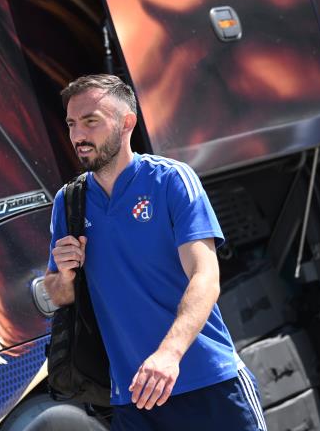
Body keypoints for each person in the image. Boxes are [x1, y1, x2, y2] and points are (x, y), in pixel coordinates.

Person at [44, 74, 266, 430]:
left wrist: (168, 354)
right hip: (134, 401)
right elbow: (58, 295)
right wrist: (66, 275)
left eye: (90, 121)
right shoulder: (68, 202)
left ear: (126, 123)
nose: (78, 135)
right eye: (72, 124)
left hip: (209, 384)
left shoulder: (171, 180)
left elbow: (205, 276)